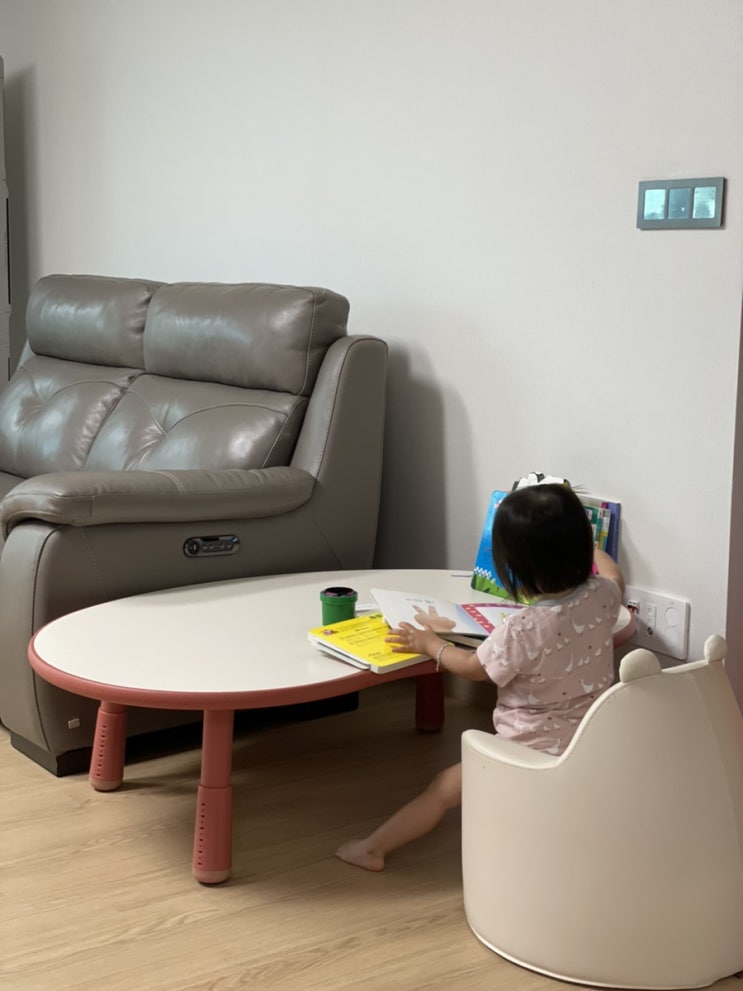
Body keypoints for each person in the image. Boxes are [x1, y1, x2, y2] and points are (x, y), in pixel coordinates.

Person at [335, 483, 624, 872]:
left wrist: (431, 644)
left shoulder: (523, 629)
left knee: (442, 790)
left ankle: (372, 850)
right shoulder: (604, 595)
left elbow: (474, 668)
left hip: (527, 752)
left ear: (513, 565)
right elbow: (614, 573)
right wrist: (593, 551)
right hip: (592, 742)